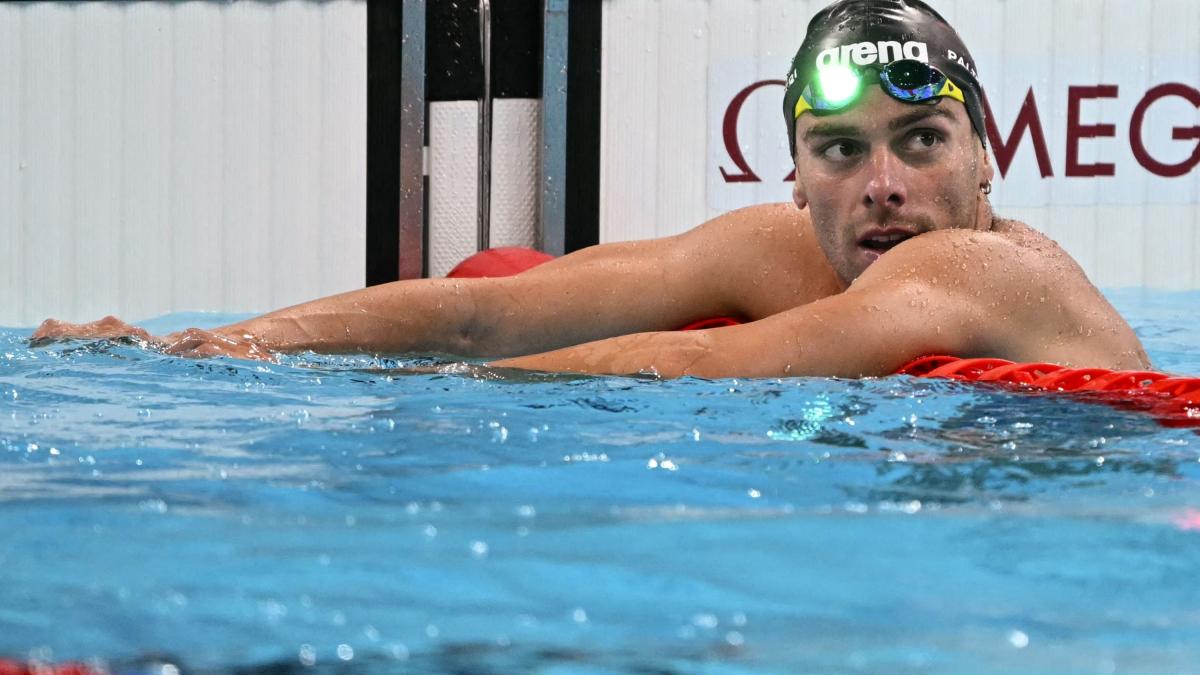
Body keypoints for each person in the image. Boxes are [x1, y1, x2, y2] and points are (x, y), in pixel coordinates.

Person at [32, 0, 1149, 379]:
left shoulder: (977, 267)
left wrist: (399, 399)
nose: (885, 185)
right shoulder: (780, 251)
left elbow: (694, 360)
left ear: (990, 154)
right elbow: (483, 310)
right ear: (795, 173)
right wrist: (235, 345)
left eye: (922, 139)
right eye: (843, 151)